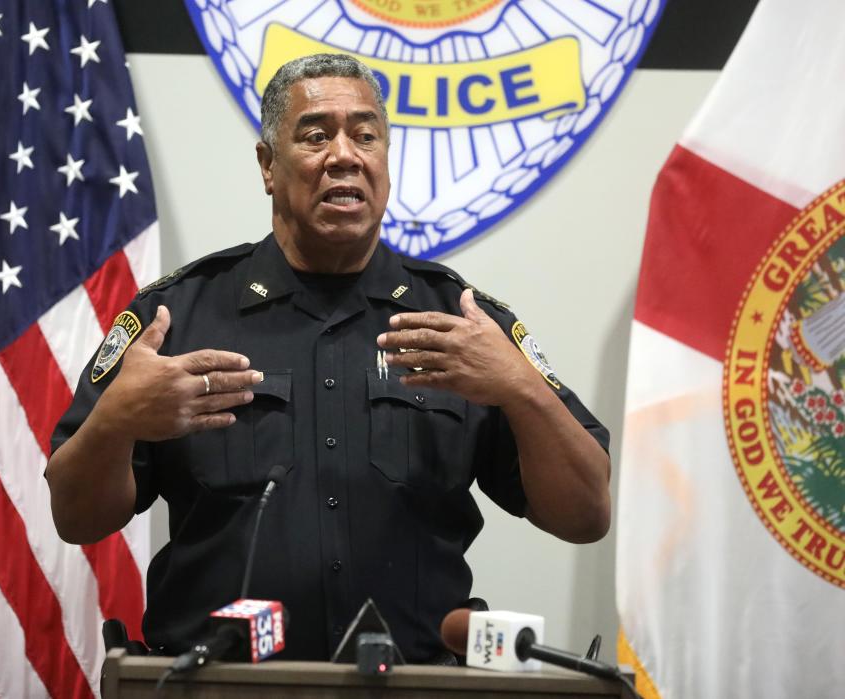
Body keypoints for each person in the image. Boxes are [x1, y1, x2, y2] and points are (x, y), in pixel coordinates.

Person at [47, 53, 611, 662]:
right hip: (221, 687)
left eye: (366, 135)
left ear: (386, 164)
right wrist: (114, 423)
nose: (346, 155)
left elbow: (584, 515)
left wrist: (520, 388)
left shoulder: (465, 322)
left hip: (417, 686)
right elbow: (76, 518)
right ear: (268, 166)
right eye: (316, 135)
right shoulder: (177, 317)